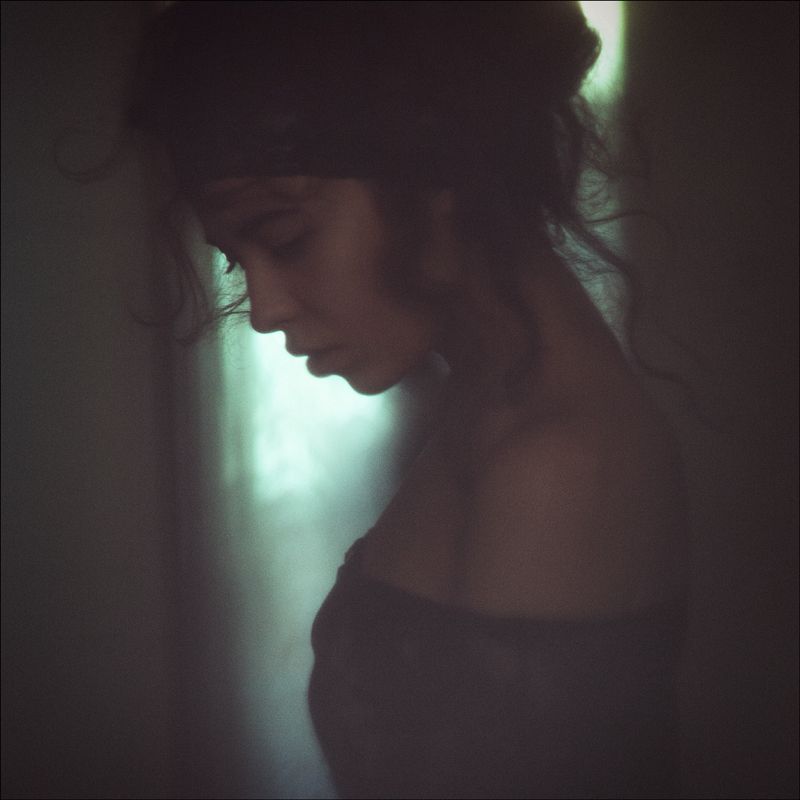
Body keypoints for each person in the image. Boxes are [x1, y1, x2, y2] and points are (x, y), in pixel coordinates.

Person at [129, 2, 689, 797]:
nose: (264, 309)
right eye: (234, 259)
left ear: (435, 180)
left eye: (285, 238)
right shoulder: (486, 402)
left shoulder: (561, 465)